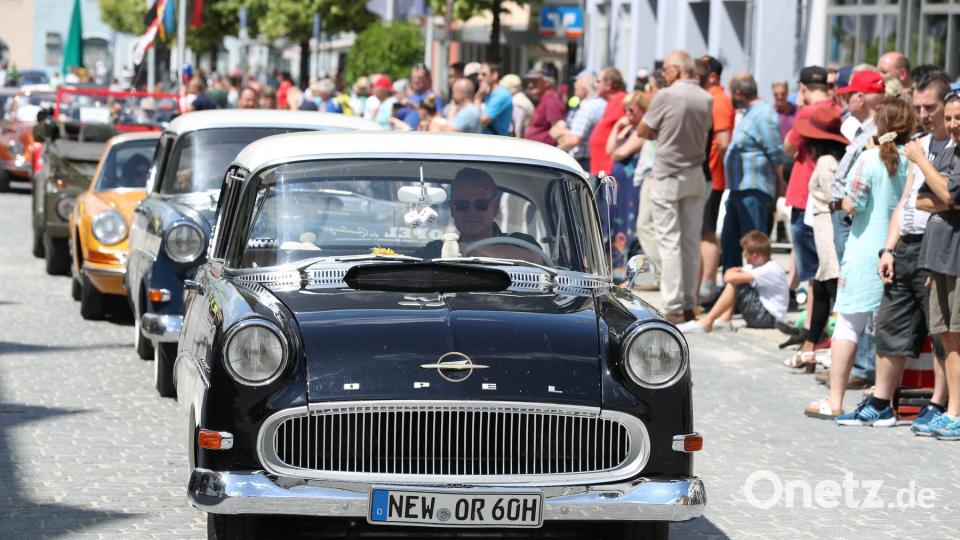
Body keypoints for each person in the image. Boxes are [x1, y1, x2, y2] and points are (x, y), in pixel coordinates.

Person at [838, 74, 953, 427]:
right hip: (906, 245)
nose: (924, 115)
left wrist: (922, 165)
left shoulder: (951, 148)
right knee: (891, 323)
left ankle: (939, 403)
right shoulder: (918, 144)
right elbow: (905, 201)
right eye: (919, 108)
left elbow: (948, 198)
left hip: (938, 247)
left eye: (931, 107)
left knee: (941, 331)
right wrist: (888, 249)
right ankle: (880, 401)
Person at [805, 98, 915, 420]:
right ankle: (884, 397)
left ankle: (835, 399)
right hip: (899, 249)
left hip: (865, 247)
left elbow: (853, 204)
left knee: (849, 324)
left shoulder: (869, 158)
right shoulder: (913, 159)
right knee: (889, 328)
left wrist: (841, 204)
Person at [819, 69, 887, 388]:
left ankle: (863, 365)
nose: (844, 100)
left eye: (848, 95)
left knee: (860, 293)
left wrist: (847, 204)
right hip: (846, 214)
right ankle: (857, 364)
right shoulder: (864, 129)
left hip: (852, 216)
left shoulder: (876, 131)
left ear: (861, 97)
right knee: (853, 293)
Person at [634, 50, 713, 323]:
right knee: (690, 241)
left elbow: (643, 131)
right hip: (695, 172)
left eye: (666, 68)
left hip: (668, 172)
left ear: (677, 69)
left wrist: (661, 129)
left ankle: (673, 305)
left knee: (669, 242)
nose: (663, 73)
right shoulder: (706, 97)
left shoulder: (666, 95)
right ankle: (690, 302)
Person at [905, 90, 960, 439]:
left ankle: (956, 412)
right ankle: (953, 410)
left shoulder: (942, 154)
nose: (952, 125)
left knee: (957, 336)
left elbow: (949, 193)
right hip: (940, 256)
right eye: (950, 118)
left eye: (958, 118)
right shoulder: (951, 152)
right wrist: (949, 200)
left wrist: (923, 161)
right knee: (947, 337)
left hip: (956, 257)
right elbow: (922, 199)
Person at [783, 106, 848, 371]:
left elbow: (836, 198)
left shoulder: (825, 162)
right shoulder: (834, 159)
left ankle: (834, 349)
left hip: (828, 229)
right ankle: (811, 345)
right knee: (821, 287)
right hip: (823, 228)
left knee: (831, 287)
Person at [722, 73, 787, 271]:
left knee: (754, 244)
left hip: (753, 189)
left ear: (738, 93)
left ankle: (759, 283)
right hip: (739, 189)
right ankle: (734, 285)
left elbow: (775, 151)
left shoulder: (763, 114)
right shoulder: (750, 113)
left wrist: (780, 181)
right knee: (729, 241)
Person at [678, 231, 788, 333]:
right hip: (765, 315)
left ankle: (708, 321)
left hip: (767, 317)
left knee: (737, 282)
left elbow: (730, 278)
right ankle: (724, 318)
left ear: (755, 255)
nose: (744, 256)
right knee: (735, 281)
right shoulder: (758, 266)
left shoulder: (770, 269)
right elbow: (729, 274)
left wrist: (734, 276)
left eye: (745, 253)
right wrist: (733, 275)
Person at [419, 168, 539, 260]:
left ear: (495, 207)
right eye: (462, 205)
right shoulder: (436, 250)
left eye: (481, 204)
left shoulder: (521, 243)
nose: (472, 212)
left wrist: (475, 250)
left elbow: (535, 259)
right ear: (452, 209)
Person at [699, 55, 736, 302]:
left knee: (707, 231)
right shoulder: (711, 97)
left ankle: (707, 286)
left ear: (712, 76)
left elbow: (723, 142)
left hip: (713, 176)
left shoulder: (718, 100)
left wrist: (719, 171)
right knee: (702, 232)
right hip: (709, 174)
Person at [604, 91, 650, 281]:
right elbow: (609, 149)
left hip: (632, 188)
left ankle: (631, 271)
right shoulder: (628, 130)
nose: (628, 115)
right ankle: (616, 268)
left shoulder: (643, 131)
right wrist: (617, 127)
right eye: (626, 110)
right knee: (618, 226)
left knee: (630, 226)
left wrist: (620, 138)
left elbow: (619, 153)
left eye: (632, 110)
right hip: (620, 189)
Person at [552, 72, 606, 170]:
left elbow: (574, 140)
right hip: (591, 160)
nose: (574, 85)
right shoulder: (601, 103)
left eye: (576, 82)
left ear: (584, 86)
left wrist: (555, 153)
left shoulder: (588, 107)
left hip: (582, 162)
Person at [587, 68, 628, 175]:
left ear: (608, 85)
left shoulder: (621, 100)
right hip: (601, 169)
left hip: (608, 171)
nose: (595, 85)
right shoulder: (612, 102)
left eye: (598, 81)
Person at [523, 65, 565, 146]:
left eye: (535, 81)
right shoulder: (544, 98)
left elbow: (559, 130)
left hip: (542, 150)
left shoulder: (551, 99)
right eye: (529, 81)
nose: (530, 85)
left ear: (547, 83)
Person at [475, 62, 513, 136]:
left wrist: (478, 99)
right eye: (478, 74)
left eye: (483, 74)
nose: (479, 78)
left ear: (494, 75)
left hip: (494, 141)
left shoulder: (501, 94)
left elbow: (480, 123)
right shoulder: (489, 94)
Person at [401, 64, 443, 129]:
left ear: (427, 79)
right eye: (413, 77)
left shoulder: (433, 97)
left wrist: (416, 106)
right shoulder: (410, 97)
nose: (416, 80)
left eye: (419, 78)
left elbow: (438, 118)